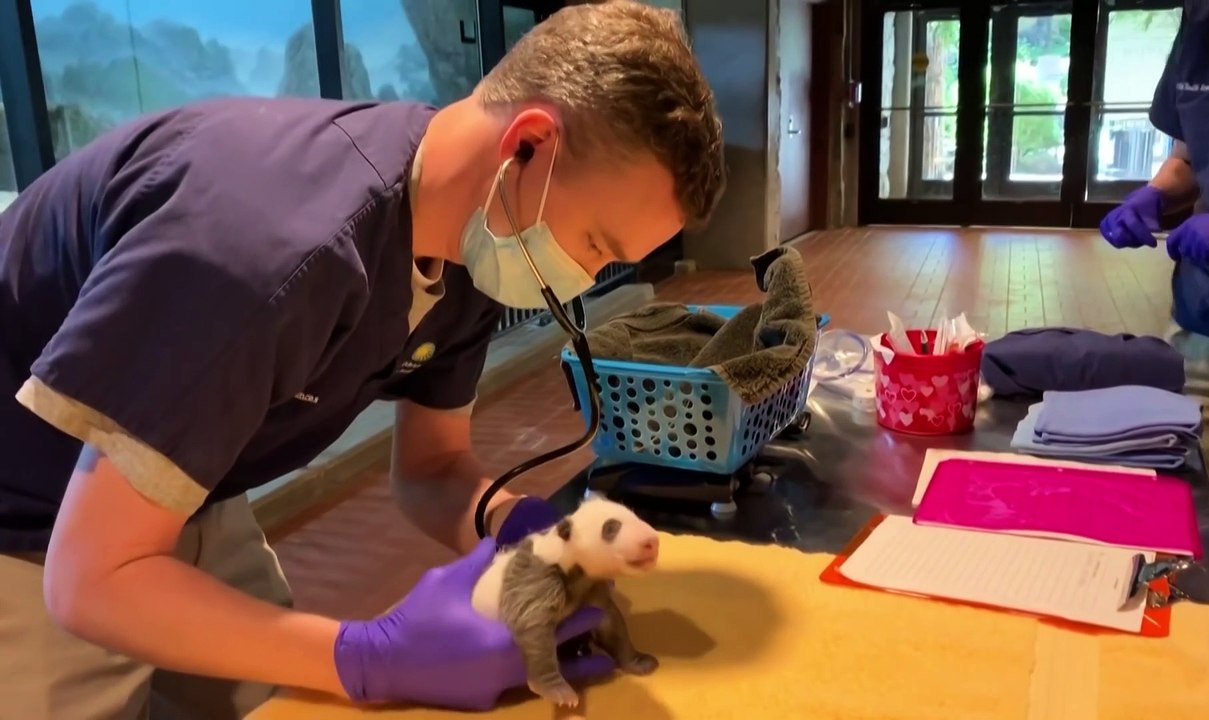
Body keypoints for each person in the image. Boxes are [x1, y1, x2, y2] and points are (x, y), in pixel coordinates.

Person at [0, 2, 725, 718]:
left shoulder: (470, 243)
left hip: (181, 482)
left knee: (282, 700)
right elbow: (90, 580)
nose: (583, 276)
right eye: (596, 244)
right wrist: (367, 654)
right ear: (527, 145)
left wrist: (520, 527)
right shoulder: (265, 256)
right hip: (28, 518)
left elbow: (430, 472)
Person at [1098, 0, 1209, 673]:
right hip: (1203, 327)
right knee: (1177, 553)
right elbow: (1193, 157)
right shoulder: (1206, 20)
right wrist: (1156, 195)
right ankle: (1172, 688)